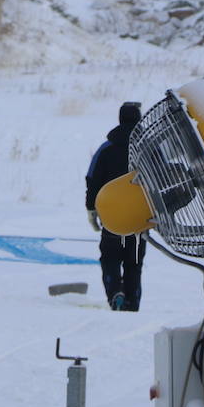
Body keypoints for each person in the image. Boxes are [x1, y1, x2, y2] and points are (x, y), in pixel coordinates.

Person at [85, 102, 147, 311]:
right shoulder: (147, 149)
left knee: (110, 258)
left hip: (111, 216)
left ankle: (115, 294)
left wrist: (91, 209)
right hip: (140, 218)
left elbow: (92, 180)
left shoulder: (106, 149)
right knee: (134, 263)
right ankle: (133, 302)